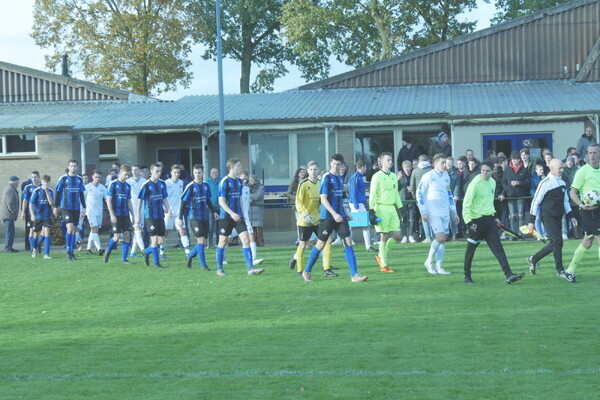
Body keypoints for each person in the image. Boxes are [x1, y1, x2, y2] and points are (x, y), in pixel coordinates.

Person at [301, 154, 368, 283]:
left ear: (342, 165)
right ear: (330, 163)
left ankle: (354, 275)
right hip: (327, 217)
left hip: (340, 216)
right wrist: (334, 214)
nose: (335, 166)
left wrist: (344, 212)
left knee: (347, 241)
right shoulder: (326, 177)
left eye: (338, 164)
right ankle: (307, 270)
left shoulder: (339, 179)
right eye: (333, 164)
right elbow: (323, 199)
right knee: (320, 244)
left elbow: (338, 198)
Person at [462, 161, 525, 284]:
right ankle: (467, 277)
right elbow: (466, 204)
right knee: (470, 250)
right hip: (476, 222)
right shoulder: (475, 183)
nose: (485, 173)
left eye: (487, 171)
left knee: (498, 249)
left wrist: (495, 216)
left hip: (490, 221)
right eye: (483, 170)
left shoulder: (492, 182)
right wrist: (469, 223)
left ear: (492, 171)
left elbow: (489, 202)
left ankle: (509, 274)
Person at [527, 159, 577, 282]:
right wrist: (531, 220)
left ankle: (534, 259)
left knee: (556, 243)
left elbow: (565, 201)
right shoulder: (545, 183)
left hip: (558, 216)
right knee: (558, 241)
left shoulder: (562, 182)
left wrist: (572, 216)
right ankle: (560, 270)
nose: (562, 169)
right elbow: (535, 201)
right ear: (552, 168)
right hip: (547, 216)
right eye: (559, 168)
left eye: (562, 167)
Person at [216, 158, 265, 276]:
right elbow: (221, 201)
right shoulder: (224, 182)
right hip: (226, 216)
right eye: (238, 166)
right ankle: (219, 269)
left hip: (239, 216)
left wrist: (244, 214)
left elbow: (241, 199)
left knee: (246, 240)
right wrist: (232, 213)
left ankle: (250, 268)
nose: (240, 167)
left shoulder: (239, 181)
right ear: (232, 167)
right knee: (223, 242)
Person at [289, 161, 336, 278]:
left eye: (315, 169)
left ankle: (327, 268)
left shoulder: (321, 183)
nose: (313, 172)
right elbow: (298, 202)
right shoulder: (303, 184)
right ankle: (300, 271)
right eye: (311, 169)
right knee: (303, 244)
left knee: (328, 240)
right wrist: (304, 214)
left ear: (319, 170)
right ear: (308, 171)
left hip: (318, 219)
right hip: (305, 220)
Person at [417, 154, 460, 275]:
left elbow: (449, 194)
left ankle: (439, 266)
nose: (444, 165)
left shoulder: (446, 177)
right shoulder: (428, 176)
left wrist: (454, 211)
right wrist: (423, 211)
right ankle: (429, 261)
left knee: (443, 240)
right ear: (435, 164)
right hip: (432, 212)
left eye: (445, 162)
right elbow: (419, 193)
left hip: (444, 211)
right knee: (440, 237)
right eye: (442, 163)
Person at [565, 144, 600, 278]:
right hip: (588, 210)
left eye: (595, 153)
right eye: (590, 153)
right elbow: (572, 192)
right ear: (586, 155)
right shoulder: (583, 171)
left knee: (587, 242)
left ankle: (570, 270)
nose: (592, 155)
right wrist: (581, 205)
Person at [370, 152, 403, 273]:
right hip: (381, 208)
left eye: (391, 160)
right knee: (384, 235)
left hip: (392, 208)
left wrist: (400, 207)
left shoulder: (394, 176)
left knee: (398, 236)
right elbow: (373, 194)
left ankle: (380, 255)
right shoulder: (377, 176)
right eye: (388, 160)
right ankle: (383, 265)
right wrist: (371, 210)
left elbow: (395, 193)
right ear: (381, 162)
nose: (391, 162)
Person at [181, 164, 219, 270]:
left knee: (204, 242)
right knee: (201, 240)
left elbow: (207, 200)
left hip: (205, 217)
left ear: (203, 173)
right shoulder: (190, 186)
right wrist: (180, 218)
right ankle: (203, 265)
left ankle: (190, 255)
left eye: (199, 173)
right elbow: (183, 202)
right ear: (193, 173)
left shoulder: (206, 185)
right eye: (195, 172)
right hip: (194, 217)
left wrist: (214, 211)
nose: (197, 175)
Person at [137, 163, 171, 268]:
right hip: (150, 215)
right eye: (157, 171)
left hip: (160, 215)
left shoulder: (162, 184)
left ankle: (146, 252)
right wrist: (138, 215)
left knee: (161, 241)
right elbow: (140, 200)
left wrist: (168, 209)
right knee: (155, 240)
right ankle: (156, 263)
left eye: (160, 171)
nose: (159, 173)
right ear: (151, 172)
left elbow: (164, 197)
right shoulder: (146, 185)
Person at [54, 160, 86, 260]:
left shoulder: (79, 179)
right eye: (71, 166)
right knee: (70, 228)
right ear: (68, 167)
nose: (73, 168)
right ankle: (68, 250)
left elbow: (81, 194)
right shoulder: (63, 179)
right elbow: (57, 192)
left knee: (74, 231)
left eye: (74, 166)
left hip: (76, 208)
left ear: (77, 167)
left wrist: (84, 207)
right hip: (66, 208)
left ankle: (71, 252)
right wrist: (56, 206)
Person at [104, 165, 134, 265]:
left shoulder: (128, 186)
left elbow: (129, 201)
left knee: (127, 235)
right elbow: (108, 200)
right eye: (125, 174)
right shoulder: (113, 184)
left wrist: (133, 215)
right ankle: (108, 250)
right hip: (115, 214)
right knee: (116, 237)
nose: (127, 177)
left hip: (125, 214)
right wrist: (112, 215)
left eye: (128, 175)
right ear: (120, 172)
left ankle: (124, 259)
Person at [501, 151, 531, 239]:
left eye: (516, 159)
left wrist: (519, 183)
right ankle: (513, 234)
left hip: (521, 195)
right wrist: (507, 189)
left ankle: (521, 233)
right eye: (513, 159)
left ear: (519, 160)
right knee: (512, 215)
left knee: (521, 215)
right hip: (510, 195)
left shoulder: (524, 170)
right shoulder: (507, 169)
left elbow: (528, 183)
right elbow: (504, 181)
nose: (514, 161)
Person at [349, 160, 376, 252]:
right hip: (357, 204)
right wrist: (356, 207)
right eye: (365, 167)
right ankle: (367, 246)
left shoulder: (358, 177)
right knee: (362, 225)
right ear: (363, 166)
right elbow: (353, 192)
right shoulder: (356, 177)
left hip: (359, 203)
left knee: (354, 225)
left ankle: (348, 246)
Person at [239, 170, 264, 266]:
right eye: (243, 179)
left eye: (246, 179)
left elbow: (254, 198)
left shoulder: (246, 189)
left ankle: (253, 259)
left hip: (245, 218)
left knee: (251, 237)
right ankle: (221, 260)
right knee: (225, 240)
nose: (244, 181)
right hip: (234, 217)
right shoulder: (235, 188)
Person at [162, 164, 187, 258]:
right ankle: (161, 251)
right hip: (169, 213)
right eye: (175, 172)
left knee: (182, 231)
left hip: (178, 213)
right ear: (171, 173)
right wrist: (164, 208)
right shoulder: (166, 183)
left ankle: (187, 252)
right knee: (166, 232)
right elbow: (162, 197)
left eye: (178, 172)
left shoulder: (181, 183)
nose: (176, 174)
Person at [29, 175, 54, 259]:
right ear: (41, 182)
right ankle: (34, 248)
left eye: (47, 182)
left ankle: (46, 254)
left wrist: (47, 192)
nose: (46, 183)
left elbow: (51, 203)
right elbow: (31, 203)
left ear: (49, 182)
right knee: (35, 234)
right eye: (44, 182)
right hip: (38, 216)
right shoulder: (36, 191)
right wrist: (32, 214)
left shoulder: (51, 191)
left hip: (47, 216)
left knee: (47, 232)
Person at [410, 154, 433, 242]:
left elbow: (412, 187)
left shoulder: (415, 171)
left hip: (420, 198)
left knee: (424, 217)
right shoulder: (431, 170)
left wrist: (415, 196)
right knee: (432, 217)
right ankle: (433, 235)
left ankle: (428, 237)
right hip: (431, 197)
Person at [126, 164, 147, 257]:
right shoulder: (128, 182)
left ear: (139, 171)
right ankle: (144, 251)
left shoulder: (144, 181)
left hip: (142, 209)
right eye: (133, 170)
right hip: (132, 209)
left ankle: (133, 252)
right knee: (137, 228)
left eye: (136, 170)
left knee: (138, 231)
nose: (134, 172)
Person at [84, 170, 106, 255]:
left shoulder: (102, 188)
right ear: (92, 177)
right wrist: (82, 211)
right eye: (96, 177)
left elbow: (107, 199)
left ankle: (88, 249)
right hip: (90, 211)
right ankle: (99, 248)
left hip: (99, 212)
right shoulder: (87, 187)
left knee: (93, 231)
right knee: (94, 229)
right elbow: (82, 199)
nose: (97, 179)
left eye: (99, 177)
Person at [287, 166, 307, 245]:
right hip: (298, 207)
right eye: (300, 172)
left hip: (307, 206)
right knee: (299, 223)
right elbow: (288, 193)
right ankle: (300, 239)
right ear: (298, 174)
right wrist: (296, 198)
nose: (302, 173)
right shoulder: (294, 183)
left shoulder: (308, 181)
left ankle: (307, 240)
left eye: (304, 172)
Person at [21, 171, 40, 251]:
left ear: (38, 177)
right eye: (32, 177)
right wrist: (23, 212)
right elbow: (24, 200)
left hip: (40, 213)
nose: (33, 179)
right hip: (30, 213)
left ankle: (37, 245)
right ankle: (31, 247)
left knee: (40, 231)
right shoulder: (28, 187)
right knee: (30, 230)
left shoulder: (42, 186)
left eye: (35, 177)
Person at [398, 160, 416, 243]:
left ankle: (411, 235)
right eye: (405, 168)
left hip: (412, 199)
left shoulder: (413, 175)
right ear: (403, 168)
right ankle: (404, 236)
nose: (407, 169)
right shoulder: (401, 177)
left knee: (411, 219)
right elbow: (396, 188)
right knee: (403, 218)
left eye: (408, 167)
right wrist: (398, 180)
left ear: (411, 167)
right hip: (403, 200)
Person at [2, 175, 20, 253]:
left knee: (10, 232)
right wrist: (14, 211)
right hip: (8, 216)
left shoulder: (11, 189)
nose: (18, 183)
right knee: (10, 232)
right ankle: (8, 248)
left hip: (8, 216)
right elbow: (9, 203)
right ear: (14, 182)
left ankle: (9, 247)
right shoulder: (10, 190)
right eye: (17, 181)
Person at [446, 156, 461, 240]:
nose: (449, 164)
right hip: (443, 197)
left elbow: (457, 185)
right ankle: (446, 234)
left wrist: (455, 195)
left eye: (450, 163)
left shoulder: (456, 173)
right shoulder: (441, 172)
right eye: (447, 163)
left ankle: (454, 234)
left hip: (451, 197)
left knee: (453, 217)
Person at [248, 175, 265, 246]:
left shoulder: (260, 187)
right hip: (250, 212)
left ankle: (260, 242)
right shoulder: (247, 187)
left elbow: (257, 196)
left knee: (258, 229)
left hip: (258, 211)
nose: (250, 182)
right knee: (251, 229)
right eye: (249, 180)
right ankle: (253, 243)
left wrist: (248, 196)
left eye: (252, 180)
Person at [206, 167, 221, 248]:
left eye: (216, 172)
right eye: (213, 172)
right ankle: (209, 243)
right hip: (211, 208)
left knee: (219, 226)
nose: (215, 174)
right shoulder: (207, 182)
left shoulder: (221, 181)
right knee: (211, 226)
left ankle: (218, 243)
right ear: (210, 174)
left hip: (220, 207)